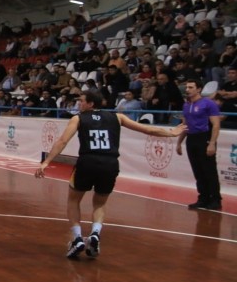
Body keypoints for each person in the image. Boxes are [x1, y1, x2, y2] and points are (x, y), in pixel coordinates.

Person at [35, 91, 186, 259]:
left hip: (87, 162)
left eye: (82, 101)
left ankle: (77, 238)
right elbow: (146, 129)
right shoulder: (118, 117)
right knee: (100, 204)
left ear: (91, 104)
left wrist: (46, 161)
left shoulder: (78, 118)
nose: (79, 104)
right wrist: (171, 132)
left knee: (73, 200)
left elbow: (63, 141)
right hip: (110, 164)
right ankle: (95, 234)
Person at [177, 79, 222, 210]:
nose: (187, 90)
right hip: (191, 138)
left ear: (199, 89)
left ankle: (215, 199)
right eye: (187, 87)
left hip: (204, 137)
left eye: (191, 87)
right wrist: (179, 142)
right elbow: (185, 125)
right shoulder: (186, 105)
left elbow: (216, 125)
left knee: (209, 170)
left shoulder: (208, 103)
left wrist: (212, 143)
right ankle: (203, 198)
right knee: (197, 170)